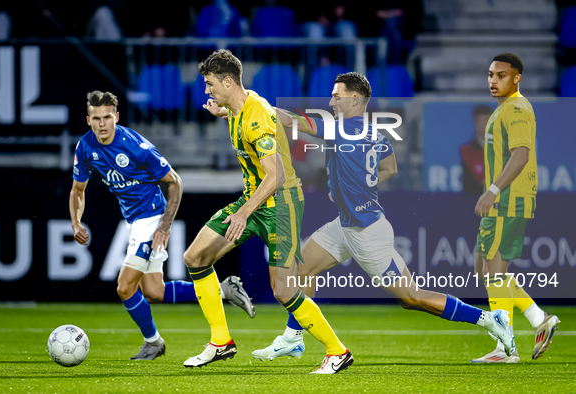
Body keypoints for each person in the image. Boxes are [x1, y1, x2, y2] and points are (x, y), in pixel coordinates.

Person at [252, 72, 515, 361]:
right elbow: (390, 169)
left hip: (366, 233)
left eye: (336, 97)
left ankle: (489, 319)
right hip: (346, 225)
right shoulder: (376, 134)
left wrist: (249, 103)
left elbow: (288, 119)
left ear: (355, 99)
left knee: (412, 298)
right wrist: (354, 187)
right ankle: (293, 338)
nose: (330, 101)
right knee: (302, 269)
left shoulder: (338, 128)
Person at [183, 49, 353, 374]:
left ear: (228, 81)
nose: (206, 90)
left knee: (285, 290)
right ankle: (221, 342)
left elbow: (274, 177)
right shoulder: (239, 106)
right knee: (195, 257)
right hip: (254, 199)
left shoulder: (256, 113)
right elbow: (254, 116)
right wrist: (222, 113)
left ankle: (337, 351)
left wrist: (244, 213)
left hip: (281, 205)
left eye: (209, 84)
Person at [69, 91, 255, 361]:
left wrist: (164, 226)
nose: (102, 124)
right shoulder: (85, 147)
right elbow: (77, 190)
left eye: (107, 117)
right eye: (96, 118)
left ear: (116, 117)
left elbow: (175, 182)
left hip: (153, 217)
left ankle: (153, 342)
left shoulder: (134, 145)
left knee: (124, 287)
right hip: (134, 220)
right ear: (88, 120)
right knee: (155, 292)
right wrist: (76, 221)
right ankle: (225, 289)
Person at [472, 54, 560, 363]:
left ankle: (505, 348)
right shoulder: (504, 110)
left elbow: (521, 155)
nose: (493, 80)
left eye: (502, 75)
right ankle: (538, 319)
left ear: (517, 78)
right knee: (484, 268)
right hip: (503, 200)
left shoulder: (517, 109)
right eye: (491, 74)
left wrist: (493, 191)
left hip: (508, 200)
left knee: (493, 271)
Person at [460, 105, 491, 194]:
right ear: (475, 123)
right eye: (481, 121)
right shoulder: (467, 152)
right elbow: (467, 185)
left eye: (487, 121)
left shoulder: (503, 150)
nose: (485, 125)